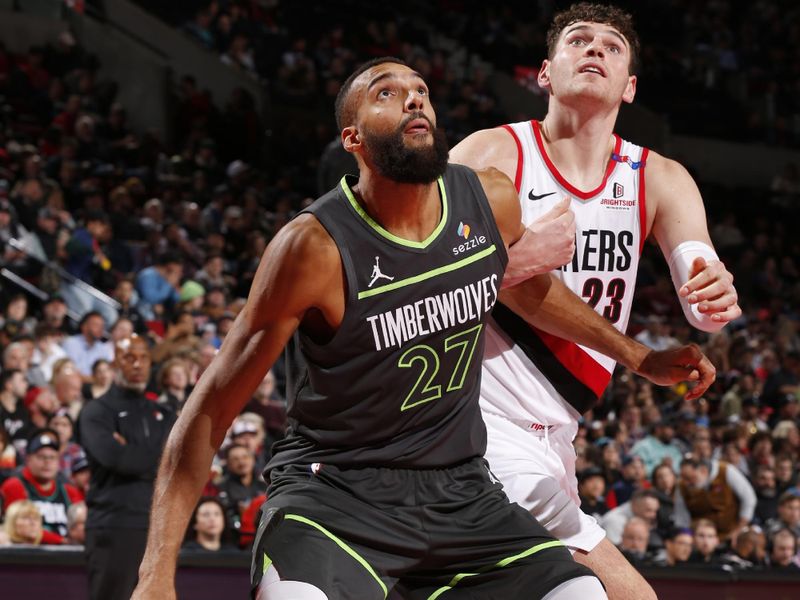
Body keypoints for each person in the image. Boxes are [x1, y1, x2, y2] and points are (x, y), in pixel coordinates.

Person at [132, 58, 713, 600]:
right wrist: (155, 575)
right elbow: (208, 411)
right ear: (353, 138)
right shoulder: (312, 248)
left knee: (581, 593)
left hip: (462, 495)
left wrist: (638, 356)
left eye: (421, 92)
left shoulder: (488, 198)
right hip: (336, 497)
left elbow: (526, 287)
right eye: (387, 93)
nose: (413, 100)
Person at [449, 3, 739, 598]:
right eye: (579, 41)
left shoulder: (658, 176)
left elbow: (701, 295)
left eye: (611, 47)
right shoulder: (490, 153)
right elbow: (425, 274)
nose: (595, 50)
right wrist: (521, 261)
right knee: (628, 594)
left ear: (629, 87)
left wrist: (714, 290)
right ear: (545, 74)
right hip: (475, 417)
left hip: (558, 433)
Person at [78, 334, 176, 600]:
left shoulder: (164, 413)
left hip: (160, 527)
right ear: (114, 363)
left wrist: (133, 450)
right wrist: (159, 456)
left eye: (143, 358)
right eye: (129, 357)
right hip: (114, 524)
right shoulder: (96, 411)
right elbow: (116, 459)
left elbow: (177, 462)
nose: (137, 365)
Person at [0, 428, 83, 543]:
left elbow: (82, 525)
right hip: (28, 554)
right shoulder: (14, 485)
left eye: (52, 457)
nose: (47, 462)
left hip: (68, 555)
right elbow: (19, 529)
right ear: (28, 459)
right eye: (41, 457)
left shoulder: (69, 491)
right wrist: (62, 541)